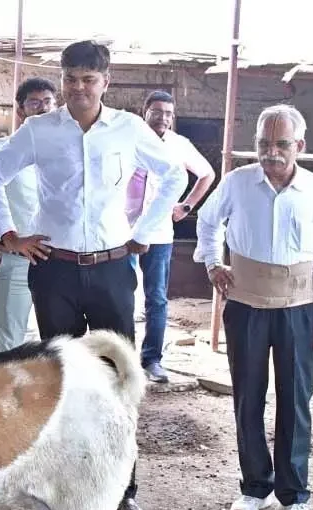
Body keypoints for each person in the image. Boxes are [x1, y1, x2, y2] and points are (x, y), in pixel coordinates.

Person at [0, 40, 186, 510]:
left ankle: (124, 490)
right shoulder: (40, 130)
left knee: (119, 377)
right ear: (62, 80)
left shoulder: (128, 129)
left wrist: (144, 231)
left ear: (105, 82)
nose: (78, 88)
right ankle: (66, 490)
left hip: (113, 268)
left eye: (88, 80)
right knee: (63, 378)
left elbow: (174, 175)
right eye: (70, 79)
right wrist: (9, 235)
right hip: (54, 269)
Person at [194, 104, 313, 510]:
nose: (271, 153)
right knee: (248, 397)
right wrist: (212, 264)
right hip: (246, 307)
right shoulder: (238, 182)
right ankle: (255, 488)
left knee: (296, 401)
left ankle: (295, 496)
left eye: (281, 144)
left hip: (298, 308)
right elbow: (207, 222)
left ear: (300, 145)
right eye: (263, 143)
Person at [125, 90, 216, 383]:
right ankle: (123, 361)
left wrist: (186, 206)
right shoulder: (129, 139)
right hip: (122, 230)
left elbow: (207, 174)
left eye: (168, 113)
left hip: (159, 233)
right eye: (157, 112)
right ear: (145, 112)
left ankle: (152, 359)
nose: (162, 118)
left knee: (157, 298)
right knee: (121, 296)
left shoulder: (179, 145)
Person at [0, 77, 56, 352]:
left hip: (59, 261)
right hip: (16, 260)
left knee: (57, 343)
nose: (43, 108)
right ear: (20, 110)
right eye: (35, 103)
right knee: (10, 344)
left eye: (48, 102)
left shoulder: (65, 152)